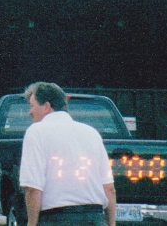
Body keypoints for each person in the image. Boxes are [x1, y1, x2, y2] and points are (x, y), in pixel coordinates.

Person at [20, 83, 116, 226]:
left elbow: (32, 189)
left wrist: (32, 223)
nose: (30, 112)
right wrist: (111, 223)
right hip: (95, 217)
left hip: (55, 218)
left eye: (32, 106)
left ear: (46, 106)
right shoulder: (92, 133)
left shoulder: (36, 132)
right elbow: (109, 188)